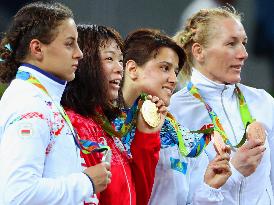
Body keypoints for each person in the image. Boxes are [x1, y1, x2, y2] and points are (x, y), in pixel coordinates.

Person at [0, 2, 110, 205]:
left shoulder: (41, 99)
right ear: (37, 48)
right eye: (69, 44)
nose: (80, 53)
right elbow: (18, 195)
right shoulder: (29, 104)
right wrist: (85, 182)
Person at [117, 28, 232, 204]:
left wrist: (209, 188)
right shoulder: (101, 131)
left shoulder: (183, 142)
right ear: (133, 69)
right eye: (165, 68)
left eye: (176, 72)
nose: (174, 79)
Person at [170, 7, 271, 204]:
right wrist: (234, 173)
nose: (243, 54)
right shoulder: (175, 112)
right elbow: (177, 197)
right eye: (231, 44)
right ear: (199, 51)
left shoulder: (264, 102)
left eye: (244, 43)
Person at [61, 24, 166, 205]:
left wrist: (146, 136)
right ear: (82, 63)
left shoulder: (105, 128)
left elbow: (139, 198)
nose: (119, 68)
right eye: (109, 58)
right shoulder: (74, 125)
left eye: (120, 60)